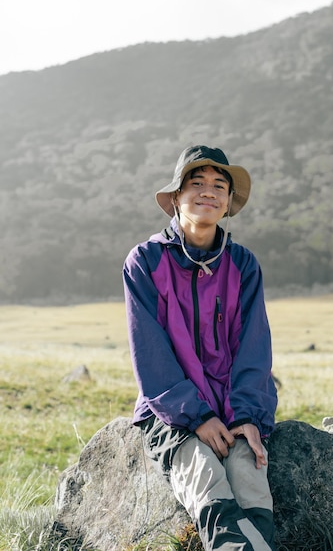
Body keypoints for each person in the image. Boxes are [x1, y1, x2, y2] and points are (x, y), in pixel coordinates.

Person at [123, 145, 278, 550]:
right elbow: (150, 353)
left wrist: (247, 416)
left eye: (219, 185)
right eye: (197, 183)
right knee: (204, 473)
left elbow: (254, 348)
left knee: (249, 473)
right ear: (176, 197)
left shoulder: (243, 265)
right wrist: (198, 416)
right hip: (172, 411)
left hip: (234, 404)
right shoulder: (145, 261)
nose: (208, 191)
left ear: (228, 201)